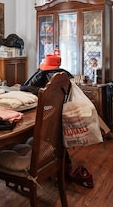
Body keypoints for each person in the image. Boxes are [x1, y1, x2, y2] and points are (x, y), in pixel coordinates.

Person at [20, 50, 94, 188]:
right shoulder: (62, 79)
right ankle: (59, 164)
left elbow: (24, 88)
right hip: (57, 127)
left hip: (42, 121)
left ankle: (39, 167)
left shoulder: (43, 78)